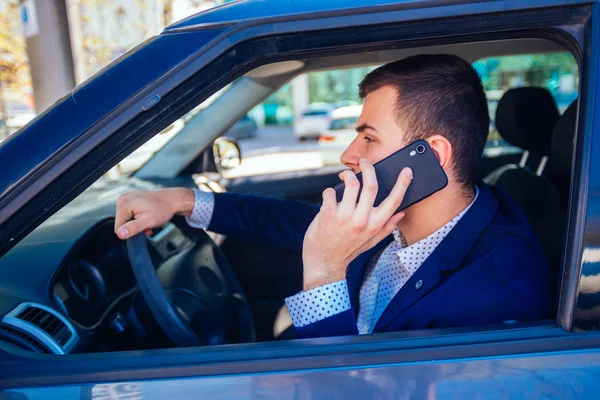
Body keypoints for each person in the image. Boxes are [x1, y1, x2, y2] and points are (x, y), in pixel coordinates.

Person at [114, 54, 553, 339]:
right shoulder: (400, 213)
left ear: (431, 156)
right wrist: (184, 202)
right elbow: (292, 222)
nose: (348, 155)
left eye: (368, 138)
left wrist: (324, 272)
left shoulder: (493, 296)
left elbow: (346, 388)